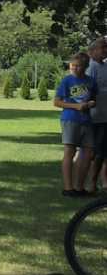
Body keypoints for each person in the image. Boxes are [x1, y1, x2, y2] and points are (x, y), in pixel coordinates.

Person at [55, 52, 97, 197]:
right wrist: (76, 107)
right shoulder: (67, 81)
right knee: (70, 152)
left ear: (85, 67)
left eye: (78, 66)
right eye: (72, 65)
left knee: (88, 153)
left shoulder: (91, 81)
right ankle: (68, 188)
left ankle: (79, 187)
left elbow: (93, 99)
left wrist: (91, 103)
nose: (74, 68)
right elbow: (57, 102)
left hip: (86, 121)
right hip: (70, 119)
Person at [85, 37, 107, 195]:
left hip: (105, 117)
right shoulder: (90, 67)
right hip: (93, 117)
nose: (105, 50)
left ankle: (97, 182)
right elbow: (86, 92)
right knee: (94, 152)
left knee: (102, 152)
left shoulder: (105, 66)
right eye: (102, 47)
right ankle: (89, 183)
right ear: (92, 51)